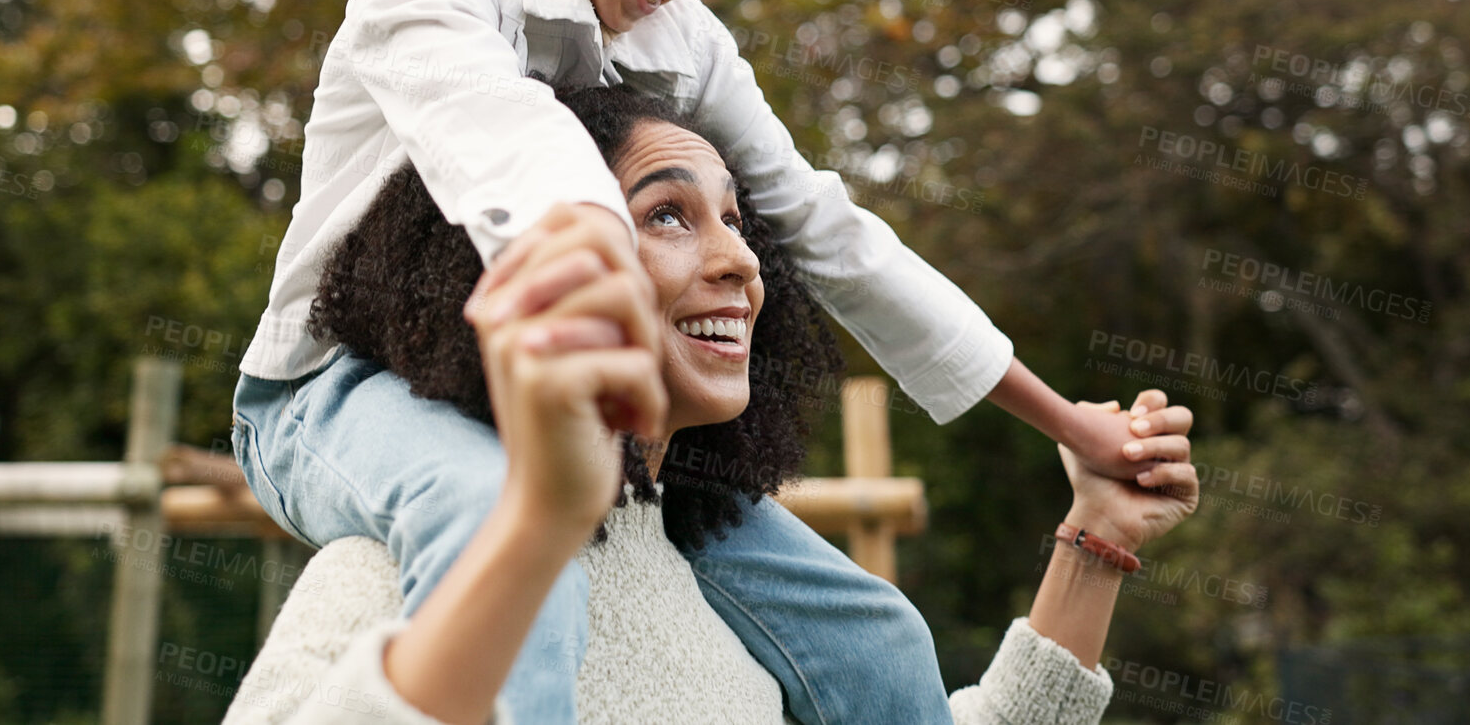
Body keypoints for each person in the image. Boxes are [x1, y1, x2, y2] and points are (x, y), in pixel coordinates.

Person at [232, 0, 1168, 721]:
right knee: (489, 503)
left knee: (874, 628)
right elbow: (508, 140)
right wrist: (607, 273)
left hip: (578, 411)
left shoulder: (680, 40)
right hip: (333, 391)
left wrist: (1062, 417)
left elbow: (819, 222)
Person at [223, 87, 1200, 724]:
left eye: (735, 220)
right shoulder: (395, 577)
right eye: (666, 213)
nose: (740, 260)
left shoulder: (738, 597)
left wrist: (1096, 539)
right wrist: (533, 529)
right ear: (523, 265)